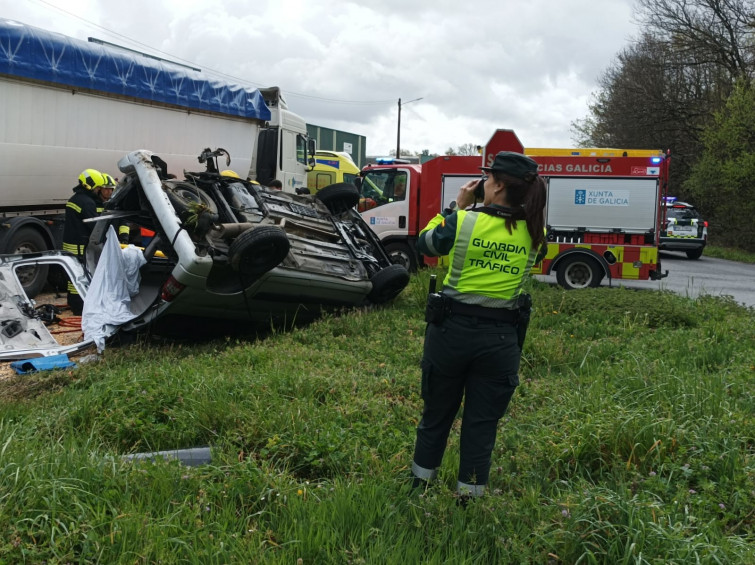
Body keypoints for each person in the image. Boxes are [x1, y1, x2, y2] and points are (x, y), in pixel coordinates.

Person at [410, 151, 547, 501]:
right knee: (481, 426)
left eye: (489, 178)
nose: (484, 182)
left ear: (499, 184)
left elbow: (425, 242)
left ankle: (418, 489)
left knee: (437, 415)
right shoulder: (535, 232)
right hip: (501, 341)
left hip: (450, 334)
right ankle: (468, 500)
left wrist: (456, 205)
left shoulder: (464, 221)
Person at [62, 169, 115, 315]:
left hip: (71, 242)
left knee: (72, 275)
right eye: (98, 187)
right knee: (80, 274)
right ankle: (79, 306)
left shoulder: (75, 199)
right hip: (79, 245)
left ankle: (73, 303)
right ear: (89, 186)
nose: (99, 190)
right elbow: (95, 226)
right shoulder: (87, 203)